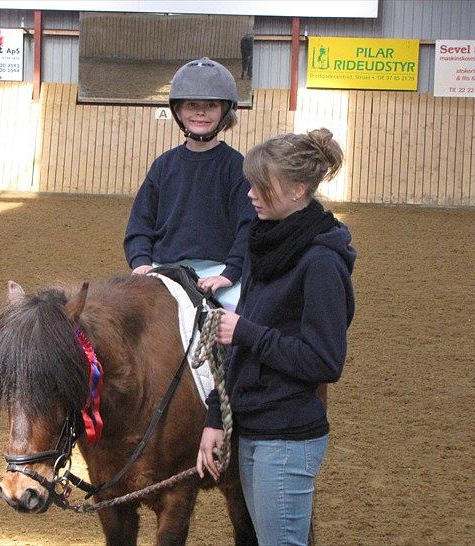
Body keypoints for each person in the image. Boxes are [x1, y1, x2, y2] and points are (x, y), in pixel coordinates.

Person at [196, 128, 356, 546]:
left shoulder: (321, 263)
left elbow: (325, 362)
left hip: (286, 439)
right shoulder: (263, 245)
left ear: (298, 189)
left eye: (261, 186)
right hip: (252, 428)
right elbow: (235, 349)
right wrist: (215, 417)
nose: (250, 194)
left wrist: (247, 333)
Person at [123, 58, 254, 310]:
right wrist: (141, 261)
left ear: (225, 111)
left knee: (244, 316)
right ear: (179, 110)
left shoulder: (237, 167)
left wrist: (230, 273)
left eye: (211, 105)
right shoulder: (163, 165)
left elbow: (248, 228)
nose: (201, 112)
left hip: (218, 271)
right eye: (192, 105)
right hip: (164, 269)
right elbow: (140, 222)